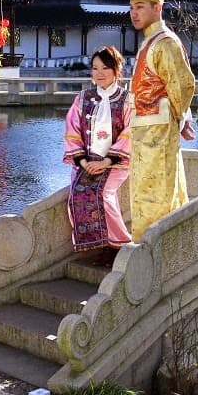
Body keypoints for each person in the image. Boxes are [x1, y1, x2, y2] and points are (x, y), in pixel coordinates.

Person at [127, 0, 196, 242]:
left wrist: (179, 118)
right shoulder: (150, 42)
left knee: (157, 191)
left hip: (158, 128)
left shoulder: (165, 43)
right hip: (145, 128)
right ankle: (147, 244)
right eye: (132, 7)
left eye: (141, 7)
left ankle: (153, 246)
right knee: (147, 190)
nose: (134, 13)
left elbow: (184, 84)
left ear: (158, 8)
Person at [63, 45, 134, 254]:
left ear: (116, 69)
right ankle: (102, 246)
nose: (99, 73)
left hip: (116, 162)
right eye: (95, 68)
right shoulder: (83, 98)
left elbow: (131, 133)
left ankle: (120, 243)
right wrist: (84, 162)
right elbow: (71, 131)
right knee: (77, 193)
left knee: (103, 193)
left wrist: (105, 162)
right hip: (86, 162)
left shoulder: (127, 100)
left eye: (105, 68)